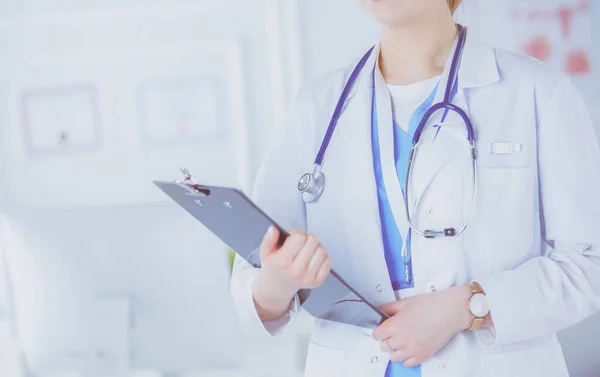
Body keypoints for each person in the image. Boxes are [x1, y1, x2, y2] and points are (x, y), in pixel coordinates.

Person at [230, 0, 600, 376]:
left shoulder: (537, 92)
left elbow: (587, 266)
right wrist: (276, 283)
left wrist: (467, 307)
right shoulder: (316, 108)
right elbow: (254, 282)